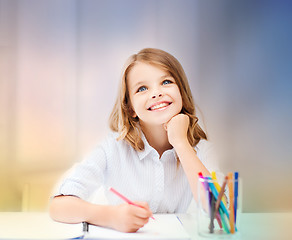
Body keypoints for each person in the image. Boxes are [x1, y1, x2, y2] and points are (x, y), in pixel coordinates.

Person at [49, 48, 219, 233]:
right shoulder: (112, 147)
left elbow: (219, 213)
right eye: (142, 88)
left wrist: (181, 143)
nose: (156, 93)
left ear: (182, 93)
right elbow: (58, 207)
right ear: (131, 109)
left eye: (166, 81)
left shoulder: (201, 150)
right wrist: (111, 217)